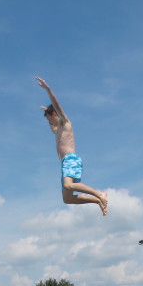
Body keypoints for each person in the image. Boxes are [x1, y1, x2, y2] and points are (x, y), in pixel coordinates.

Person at [35, 76, 108, 216]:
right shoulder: (57, 129)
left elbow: (56, 105)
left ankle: (100, 194)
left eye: (51, 118)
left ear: (55, 114)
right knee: (67, 199)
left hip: (71, 159)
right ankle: (97, 200)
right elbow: (52, 126)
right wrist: (46, 114)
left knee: (68, 185)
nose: (52, 123)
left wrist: (48, 90)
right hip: (64, 163)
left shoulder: (65, 122)